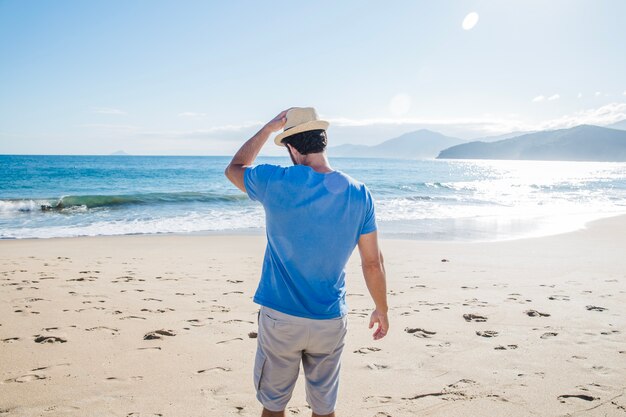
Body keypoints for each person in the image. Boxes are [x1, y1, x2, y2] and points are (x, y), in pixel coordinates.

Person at [224, 107, 389, 417]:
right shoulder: (359, 192)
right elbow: (372, 263)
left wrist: (266, 129)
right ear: (322, 142)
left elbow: (235, 167)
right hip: (329, 318)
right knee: (324, 409)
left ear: (292, 148)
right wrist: (382, 308)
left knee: (273, 406)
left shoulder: (275, 180)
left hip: (280, 319)